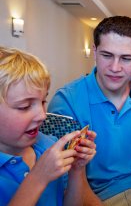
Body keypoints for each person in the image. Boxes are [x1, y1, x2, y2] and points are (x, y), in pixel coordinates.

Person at [48, 16, 131, 205]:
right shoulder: (66, 100)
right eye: (107, 55)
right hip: (95, 194)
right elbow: (65, 183)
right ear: (95, 51)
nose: (115, 68)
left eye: (126, 58)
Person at [0, 46, 96, 205]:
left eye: (43, 101)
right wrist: (38, 178)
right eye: (24, 106)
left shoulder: (48, 146)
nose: (42, 115)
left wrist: (76, 170)